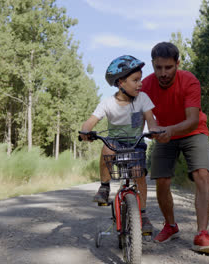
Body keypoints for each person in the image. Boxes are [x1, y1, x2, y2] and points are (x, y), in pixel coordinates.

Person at [141, 42, 209, 255]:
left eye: (168, 67)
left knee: (201, 174)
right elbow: (142, 116)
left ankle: (202, 233)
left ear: (177, 64)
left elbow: (192, 120)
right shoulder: (146, 85)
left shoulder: (190, 81)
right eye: (158, 68)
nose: (163, 73)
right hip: (164, 134)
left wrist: (169, 131)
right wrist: (144, 135)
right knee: (162, 180)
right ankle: (171, 226)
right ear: (152, 65)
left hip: (193, 131)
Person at [79, 55, 158, 235]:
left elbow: (151, 120)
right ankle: (104, 187)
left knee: (138, 174)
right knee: (106, 147)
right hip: (115, 143)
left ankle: (143, 213)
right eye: (135, 80)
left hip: (136, 143)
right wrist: (86, 131)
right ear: (121, 82)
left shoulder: (143, 98)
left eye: (141, 79)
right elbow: (90, 122)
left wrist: (154, 130)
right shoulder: (108, 103)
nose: (140, 84)